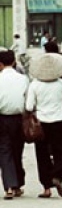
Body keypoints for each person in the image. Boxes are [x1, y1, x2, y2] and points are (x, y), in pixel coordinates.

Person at [26, 52, 62, 198]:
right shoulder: (61, 83)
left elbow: (28, 106)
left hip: (41, 123)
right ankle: (57, 175)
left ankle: (46, 188)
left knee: (42, 154)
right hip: (59, 120)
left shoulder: (35, 84)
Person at [0, 49, 28, 199]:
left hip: (2, 118)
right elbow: (28, 100)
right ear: (14, 62)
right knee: (18, 151)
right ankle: (18, 185)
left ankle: (9, 187)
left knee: (5, 151)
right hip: (19, 119)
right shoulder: (23, 79)